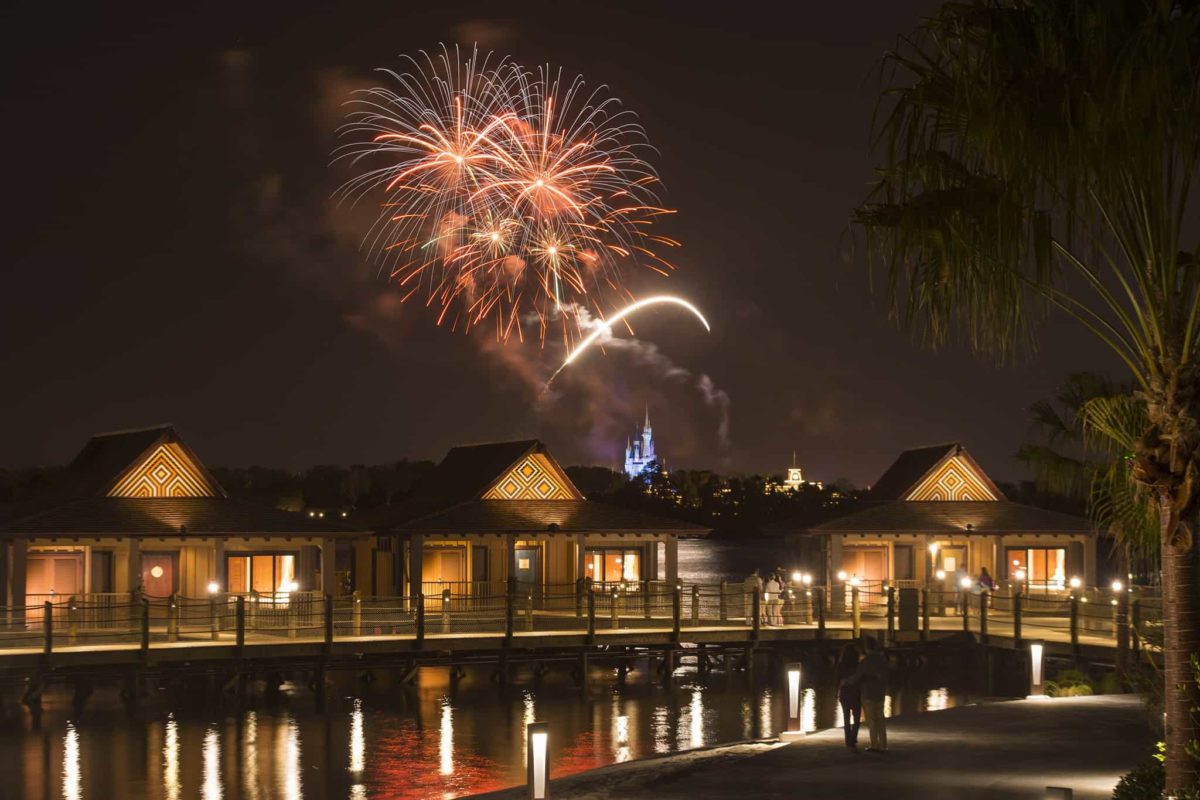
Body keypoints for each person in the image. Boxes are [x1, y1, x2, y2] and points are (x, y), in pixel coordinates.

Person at [853, 636, 889, 752]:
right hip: (880, 692)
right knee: (881, 719)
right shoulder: (881, 660)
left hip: (868, 693)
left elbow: (857, 677)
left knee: (872, 721)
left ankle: (875, 744)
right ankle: (884, 745)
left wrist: (846, 681)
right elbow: (885, 675)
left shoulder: (865, 662)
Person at [836, 642, 863, 752]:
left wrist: (836, 691)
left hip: (844, 693)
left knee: (846, 717)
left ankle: (848, 740)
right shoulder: (858, 665)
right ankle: (853, 738)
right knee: (856, 718)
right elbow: (861, 678)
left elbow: (836, 679)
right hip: (855, 693)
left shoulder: (841, 665)